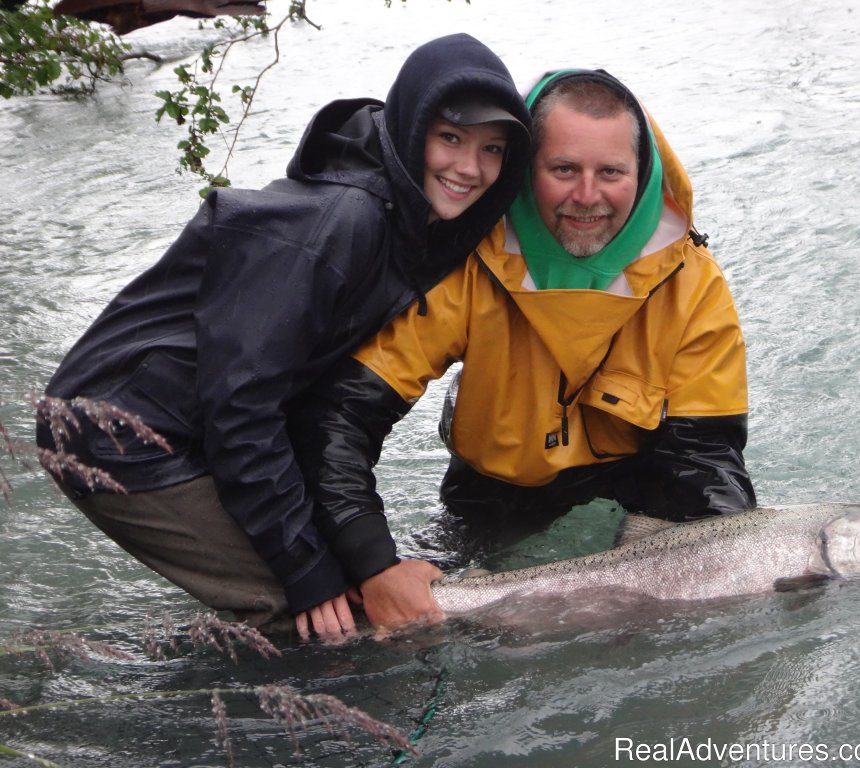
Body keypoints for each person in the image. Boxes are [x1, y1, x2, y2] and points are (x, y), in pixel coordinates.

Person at [35, 33, 531, 641]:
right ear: (410, 127)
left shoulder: (411, 223)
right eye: (449, 138)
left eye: (493, 150)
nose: (469, 168)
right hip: (121, 435)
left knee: (340, 586)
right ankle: (279, 730)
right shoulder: (342, 223)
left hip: (200, 422)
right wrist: (306, 568)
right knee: (316, 617)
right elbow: (241, 406)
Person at [296, 68, 758, 633]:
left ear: (641, 174)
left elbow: (706, 461)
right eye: (563, 170)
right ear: (525, 168)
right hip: (497, 490)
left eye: (610, 172)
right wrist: (372, 563)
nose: (587, 197)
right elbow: (341, 419)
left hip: (642, 478)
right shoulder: (465, 258)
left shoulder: (694, 280)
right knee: (388, 624)